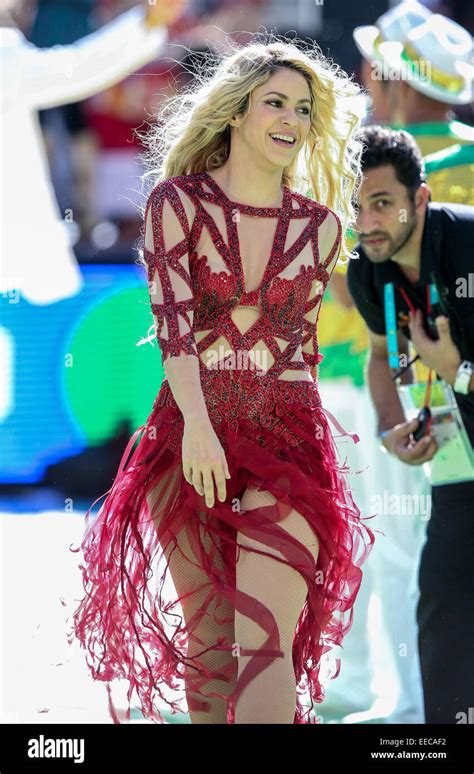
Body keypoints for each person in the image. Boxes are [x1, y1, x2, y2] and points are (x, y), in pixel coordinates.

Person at [68, 37, 375, 725]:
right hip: (188, 433)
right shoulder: (175, 205)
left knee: (265, 647)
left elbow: (300, 357)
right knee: (209, 658)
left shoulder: (323, 230)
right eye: (275, 102)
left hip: (288, 436)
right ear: (236, 112)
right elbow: (176, 332)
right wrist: (202, 431)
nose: (291, 118)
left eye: (303, 107)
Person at [347, 124, 474, 724]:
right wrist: (392, 426)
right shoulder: (369, 270)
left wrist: (460, 372)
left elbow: (453, 368)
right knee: (443, 600)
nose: (368, 221)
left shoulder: (469, 245)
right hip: (460, 458)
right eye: (358, 205)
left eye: (382, 203)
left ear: (419, 199)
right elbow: (381, 354)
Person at [0, 0, 186, 305]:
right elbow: (77, 69)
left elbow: (74, 69)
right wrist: (146, 22)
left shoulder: (5, 57)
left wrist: (147, 23)